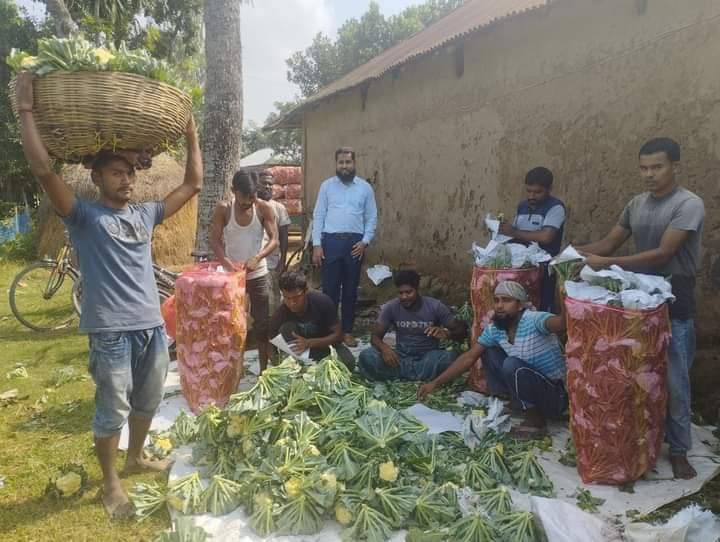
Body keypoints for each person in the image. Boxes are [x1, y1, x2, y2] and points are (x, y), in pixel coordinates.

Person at [15, 72, 202, 518]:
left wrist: (192, 131)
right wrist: (26, 111)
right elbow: (42, 169)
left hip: (152, 327)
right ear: (96, 176)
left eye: (130, 172)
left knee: (149, 399)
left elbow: (193, 184)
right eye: (117, 173)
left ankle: (136, 457)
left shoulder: (145, 213)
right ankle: (110, 483)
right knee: (110, 407)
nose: (127, 180)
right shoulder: (82, 215)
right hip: (110, 332)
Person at [577, 137, 704, 480]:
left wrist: (608, 263)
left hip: (674, 297)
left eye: (657, 167)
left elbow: (663, 254)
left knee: (675, 379)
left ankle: (679, 450)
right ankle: (638, 442)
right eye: (644, 168)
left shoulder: (688, 204)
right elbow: (606, 244)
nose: (649, 174)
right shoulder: (636, 204)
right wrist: (572, 252)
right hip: (635, 303)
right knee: (633, 375)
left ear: (675, 166)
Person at [418, 281, 567, 439]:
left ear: (520, 305)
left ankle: (535, 422)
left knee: (512, 364)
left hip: (555, 395)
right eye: (496, 300)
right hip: (529, 385)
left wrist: (565, 295)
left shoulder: (535, 320)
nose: (499, 306)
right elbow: (469, 357)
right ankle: (515, 401)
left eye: (506, 300)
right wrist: (435, 383)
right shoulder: (497, 328)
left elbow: (562, 323)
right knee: (488, 351)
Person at [210, 171, 279, 374]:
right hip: (233, 277)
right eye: (243, 200)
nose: (248, 203)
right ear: (233, 191)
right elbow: (214, 240)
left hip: (258, 274)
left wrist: (258, 257)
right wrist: (227, 262)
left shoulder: (262, 208)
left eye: (252, 198)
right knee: (231, 324)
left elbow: (274, 239)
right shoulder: (224, 209)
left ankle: (264, 371)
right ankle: (231, 371)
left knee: (262, 326)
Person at [312, 147, 378, 347]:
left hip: (354, 244)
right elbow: (319, 215)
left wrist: (365, 241)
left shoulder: (365, 188)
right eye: (341, 162)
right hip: (330, 242)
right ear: (336, 164)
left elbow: (371, 216)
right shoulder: (327, 187)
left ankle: (348, 331)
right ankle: (330, 332)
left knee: (350, 290)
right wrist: (317, 245)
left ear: (354, 163)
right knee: (330, 290)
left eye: (348, 162)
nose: (344, 166)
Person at [358, 269, 467, 381]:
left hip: (427, 358)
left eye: (408, 292)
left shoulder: (435, 306)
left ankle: (400, 375)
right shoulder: (391, 307)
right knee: (367, 355)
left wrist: (446, 333)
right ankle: (418, 375)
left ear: (417, 290)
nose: (404, 297)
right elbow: (375, 337)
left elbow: (462, 331)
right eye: (400, 293)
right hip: (400, 357)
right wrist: (384, 348)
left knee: (452, 358)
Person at [498, 166, 566, 312]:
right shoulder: (522, 206)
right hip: (521, 264)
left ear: (549, 189)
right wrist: (502, 230)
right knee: (518, 302)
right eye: (528, 191)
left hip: (543, 265)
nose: (531, 196)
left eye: (537, 192)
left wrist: (514, 232)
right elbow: (516, 233)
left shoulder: (556, 208)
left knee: (541, 304)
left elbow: (546, 237)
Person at [268, 271, 355, 369]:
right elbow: (270, 339)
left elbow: (338, 336)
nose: (292, 303)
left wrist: (309, 343)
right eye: (287, 298)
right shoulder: (281, 313)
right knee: (286, 328)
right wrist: (277, 365)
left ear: (306, 291)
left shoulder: (322, 302)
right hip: (301, 352)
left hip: (326, 346)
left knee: (348, 362)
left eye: (296, 297)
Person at [257, 170, 291, 313]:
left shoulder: (279, 208)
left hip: (272, 263)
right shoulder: (250, 206)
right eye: (263, 183)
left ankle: (273, 331)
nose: (267, 187)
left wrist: (282, 262)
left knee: (273, 301)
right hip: (254, 264)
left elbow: (284, 237)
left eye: (270, 184)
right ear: (256, 185)